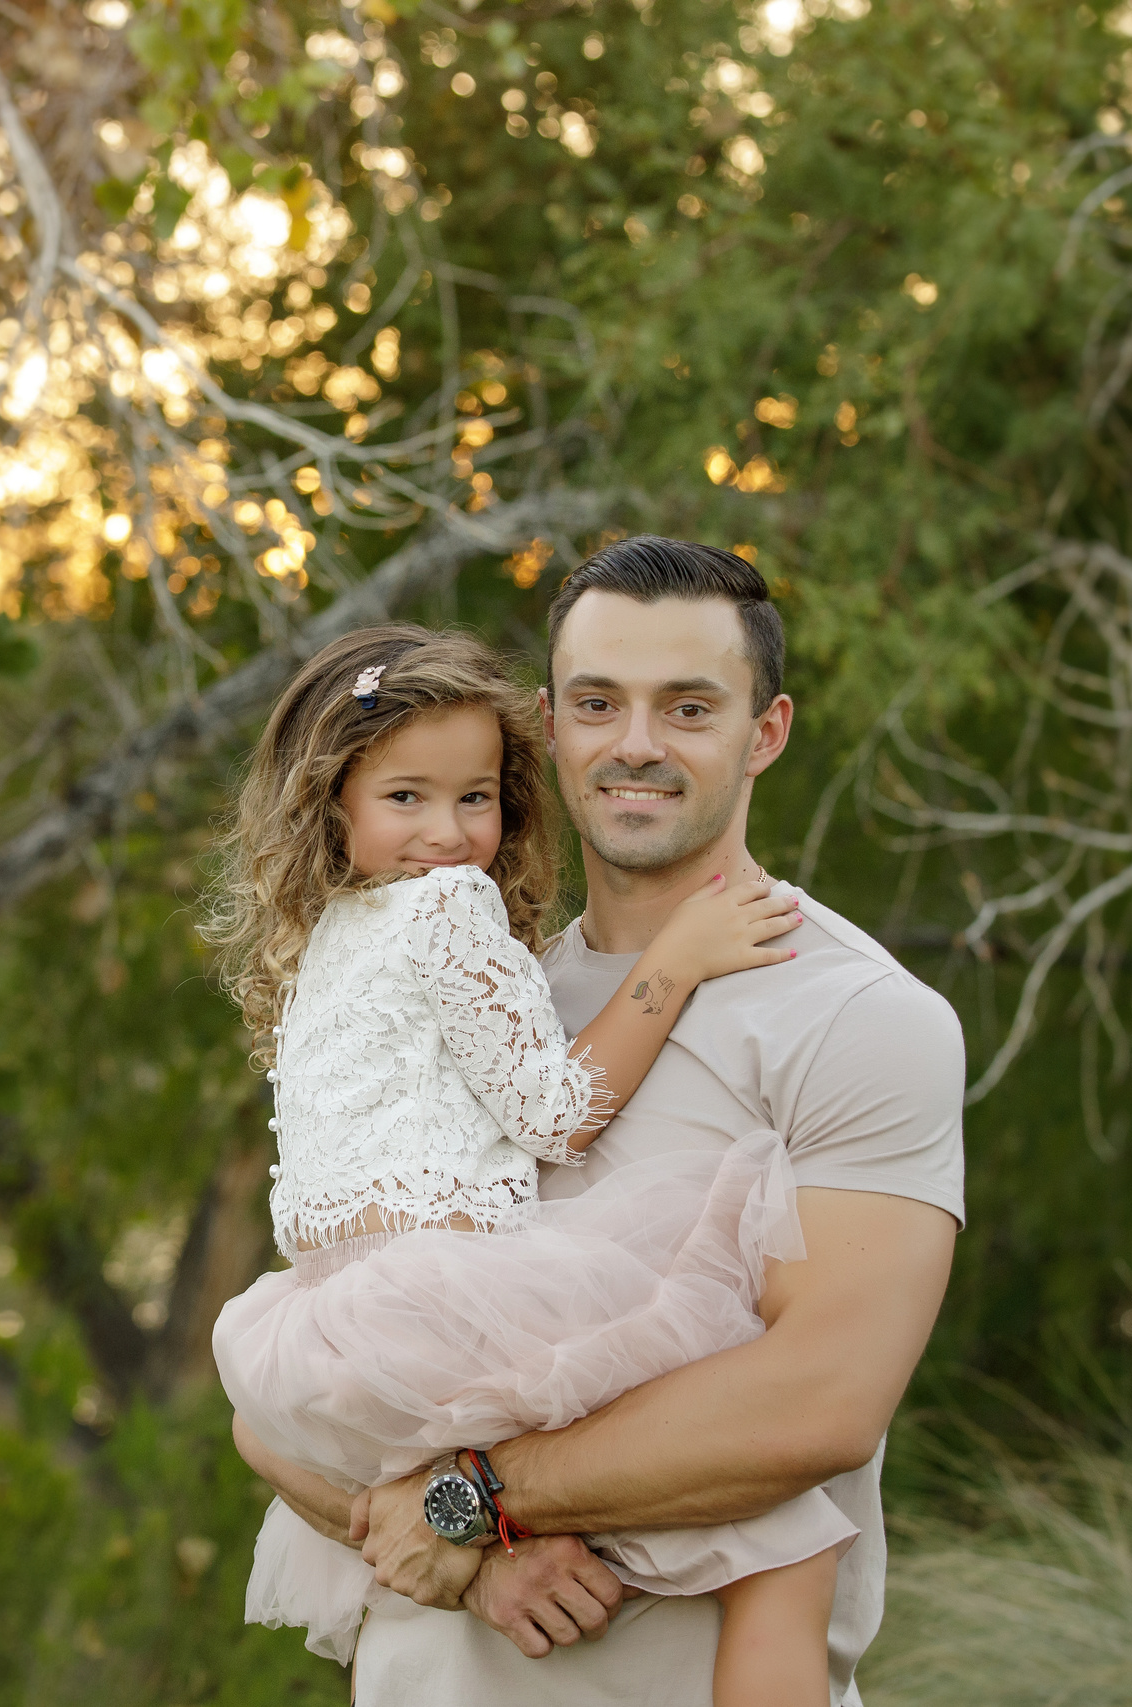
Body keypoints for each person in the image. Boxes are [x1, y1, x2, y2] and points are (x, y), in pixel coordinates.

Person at [230, 538, 966, 1707]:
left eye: (687, 707)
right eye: (597, 704)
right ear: (548, 729)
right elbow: (287, 1401)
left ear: (764, 732)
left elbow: (819, 1402)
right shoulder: (475, 993)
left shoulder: (859, 1017)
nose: (635, 743)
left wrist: (468, 1499)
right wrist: (472, 1567)